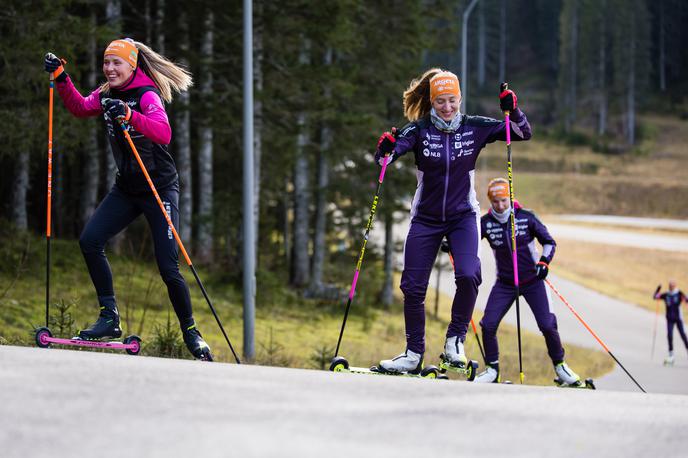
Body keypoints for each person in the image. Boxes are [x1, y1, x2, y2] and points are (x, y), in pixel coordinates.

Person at [44, 38, 212, 361]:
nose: (109, 69)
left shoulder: (147, 94)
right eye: (106, 63)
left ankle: (191, 332)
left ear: (131, 65)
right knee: (90, 240)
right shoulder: (107, 92)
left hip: (158, 189)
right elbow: (80, 107)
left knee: (168, 267)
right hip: (126, 189)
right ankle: (109, 317)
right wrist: (61, 76)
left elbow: (163, 133)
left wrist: (129, 115)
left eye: (116, 63)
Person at [373, 68, 531, 373]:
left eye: (452, 101)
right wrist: (385, 148)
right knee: (413, 286)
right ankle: (413, 353)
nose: (447, 107)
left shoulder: (475, 127)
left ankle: (454, 342)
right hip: (426, 218)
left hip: (463, 216)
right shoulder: (417, 131)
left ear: (460, 99)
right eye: (441, 102)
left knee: (470, 275)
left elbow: (522, 132)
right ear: (432, 102)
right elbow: (384, 161)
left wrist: (513, 109)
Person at [475, 178, 580, 385]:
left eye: (504, 200)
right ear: (490, 201)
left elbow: (549, 242)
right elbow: (468, 241)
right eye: (495, 202)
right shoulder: (486, 223)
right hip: (505, 283)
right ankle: (492, 370)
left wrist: (544, 262)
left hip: (533, 281)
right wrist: (450, 245)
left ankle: (561, 367)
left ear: (510, 197)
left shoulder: (526, 217)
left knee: (547, 325)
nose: (500, 206)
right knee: (488, 324)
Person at [653, 281, 688, 365]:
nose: (671, 287)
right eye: (670, 285)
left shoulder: (679, 293)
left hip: (678, 318)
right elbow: (655, 297)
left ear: (675, 286)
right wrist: (658, 289)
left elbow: (686, 300)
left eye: (672, 285)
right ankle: (671, 355)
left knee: (683, 335)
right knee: (669, 335)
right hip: (670, 319)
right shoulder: (666, 295)